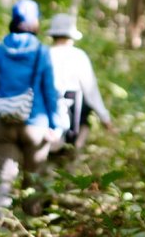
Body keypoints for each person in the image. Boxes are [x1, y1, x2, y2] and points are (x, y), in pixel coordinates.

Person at [0, 0, 64, 216]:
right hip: (36, 125)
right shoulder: (41, 52)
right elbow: (49, 90)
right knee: (32, 180)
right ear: (34, 22)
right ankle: (30, 231)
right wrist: (55, 124)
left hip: (3, 122)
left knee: (4, 179)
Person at [46, 13, 113, 151]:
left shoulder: (45, 54)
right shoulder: (79, 56)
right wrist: (105, 118)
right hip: (73, 115)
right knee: (86, 114)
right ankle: (76, 149)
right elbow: (91, 91)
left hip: (47, 111)